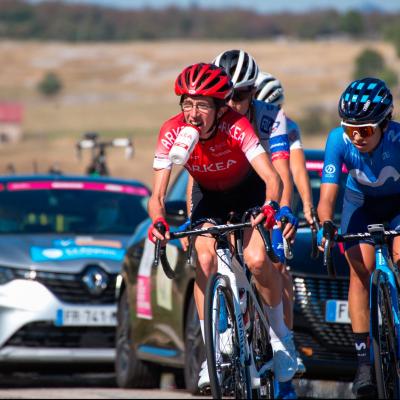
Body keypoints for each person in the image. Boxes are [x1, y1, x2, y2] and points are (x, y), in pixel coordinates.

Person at [148, 62, 298, 391]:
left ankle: (280, 337)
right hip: (208, 196)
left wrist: (272, 206)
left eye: (202, 105)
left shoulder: (236, 125)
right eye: (187, 104)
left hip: (247, 191)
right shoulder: (172, 132)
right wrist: (157, 220)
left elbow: (272, 178)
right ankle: (211, 352)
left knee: (258, 260)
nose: (193, 113)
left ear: (219, 108)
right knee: (203, 258)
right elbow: (157, 196)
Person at [212, 49, 300, 399]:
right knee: (215, 260)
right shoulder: (212, 120)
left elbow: (283, 172)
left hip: (265, 196)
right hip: (226, 196)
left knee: (271, 262)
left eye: (243, 94)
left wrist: (284, 212)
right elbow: (196, 176)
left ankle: (281, 342)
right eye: (227, 95)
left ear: (254, 93)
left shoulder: (270, 118)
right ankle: (222, 337)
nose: (234, 102)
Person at [317, 77, 400, 399]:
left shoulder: (397, 139)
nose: (356, 136)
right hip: (359, 205)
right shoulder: (338, 140)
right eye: (351, 128)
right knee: (359, 271)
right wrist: (325, 222)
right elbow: (327, 196)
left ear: (384, 124)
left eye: (365, 130)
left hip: (397, 205)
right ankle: (364, 361)